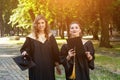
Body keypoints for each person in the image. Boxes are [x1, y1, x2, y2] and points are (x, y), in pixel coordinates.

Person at [20, 15, 61, 80]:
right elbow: (25, 49)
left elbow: (55, 51)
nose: (41, 25)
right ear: (35, 25)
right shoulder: (31, 37)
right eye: (38, 23)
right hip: (35, 67)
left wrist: (57, 64)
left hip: (48, 66)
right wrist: (24, 52)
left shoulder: (50, 37)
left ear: (46, 24)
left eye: (42, 23)